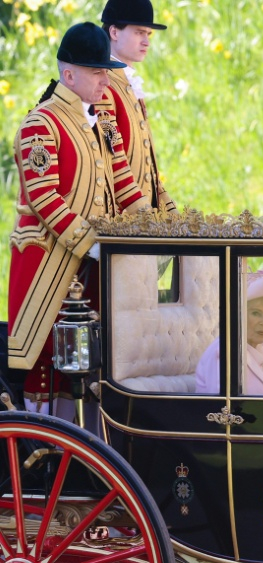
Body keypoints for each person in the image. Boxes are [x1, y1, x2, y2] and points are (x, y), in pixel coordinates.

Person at [8, 22, 150, 413]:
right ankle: (44, 453)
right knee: (50, 364)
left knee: (90, 364)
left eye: (107, 71)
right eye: (97, 72)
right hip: (50, 265)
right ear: (69, 75)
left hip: (92, 263)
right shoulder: (42, 123)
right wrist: (93, 246)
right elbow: (44, 198)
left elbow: (124, 183)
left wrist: (157, 230)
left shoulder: (102, 121)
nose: (106, 81)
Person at [101, 0, 176, 212]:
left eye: (148, 34)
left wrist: (169, 212)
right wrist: (145, 215)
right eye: (139, 33)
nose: (146, 42)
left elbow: (148, 169)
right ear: (114, 32)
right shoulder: (103, 85)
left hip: (139, 216)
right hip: (119, 220)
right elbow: (113, 161)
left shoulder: (127, 83)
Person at [196, 271, 263, 395]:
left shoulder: (258, 346)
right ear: (240, 314)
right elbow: (222, 408)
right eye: (256, 313)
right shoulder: (224, 351)